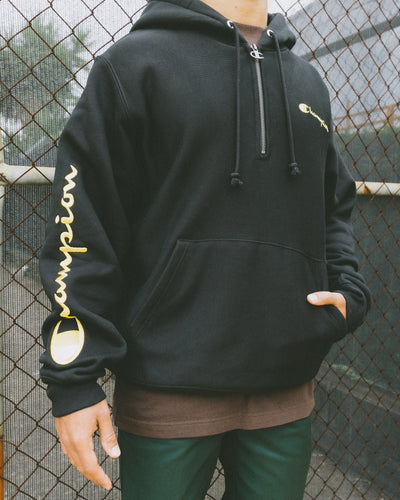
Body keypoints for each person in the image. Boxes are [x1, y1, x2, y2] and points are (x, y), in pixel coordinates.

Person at [39, 0, 371, 498]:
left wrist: (348, 289)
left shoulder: (307, 82)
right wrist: (73, 379)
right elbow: (83, 222)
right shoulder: (134, 64)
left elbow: (333, 205)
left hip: (285, 387)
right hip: (167, 387)